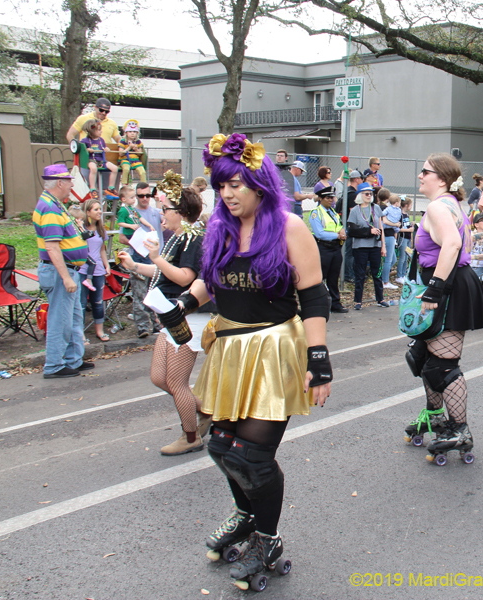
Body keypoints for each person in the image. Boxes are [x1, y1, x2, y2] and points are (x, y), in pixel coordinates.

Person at [184, 132, 332, 586]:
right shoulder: (219, 226)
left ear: (260, 184)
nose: (228, 194)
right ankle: (245, 516)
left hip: (273, 349)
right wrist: (180, 306)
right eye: (221, 185)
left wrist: (319, 357)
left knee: (252, 458)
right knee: (219, 446)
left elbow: (313, 294)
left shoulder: (288, 226)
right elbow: (211, 280)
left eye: (236, 185)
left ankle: (268, 540)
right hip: (230, 347)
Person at [118, 173, 211, 455]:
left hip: (189, 315)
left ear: (181, 213)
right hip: (171, 314)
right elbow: (163, 273)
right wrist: (135, 265)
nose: (161, 214)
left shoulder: (194, 238)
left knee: (175, 381)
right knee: (159, 377)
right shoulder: (177, 237)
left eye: (165, 209)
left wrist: (156, 258)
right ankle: (206, 411)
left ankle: (191, 436)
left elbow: (184, 278)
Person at [403, 153, 483, 459]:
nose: (420, 176)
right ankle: (436, 416)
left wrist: (435, 290)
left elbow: (453, 244)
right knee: (424, 358)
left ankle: (460, 430)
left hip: (446, 286)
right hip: (448, 283)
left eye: (424, 171)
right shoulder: (453, 204)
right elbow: (462, 243)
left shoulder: (440, 206)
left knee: (443, 365)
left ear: (440, 177)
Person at [33, 164, 94, 379]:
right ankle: (54, 365)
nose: (71, 185)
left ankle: (73, 359)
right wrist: (66, 277)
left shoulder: (55, 204)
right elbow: (52, 246)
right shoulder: (49, 208)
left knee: (74, 317)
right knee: (61, 319)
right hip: (60, 271)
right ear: (59, 182)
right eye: (69, 181)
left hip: (68, 270)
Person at [127, 182, 165, 338]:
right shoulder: (131, 214)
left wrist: (159, 201)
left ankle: (158, 325)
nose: (144, 199)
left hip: (156, 259)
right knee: (140, 294)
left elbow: (166, 219)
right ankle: (143, 327)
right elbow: (123, 237)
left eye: (147, 195)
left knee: (157, 292)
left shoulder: (156, 212)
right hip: (139, 257)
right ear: (136, 197)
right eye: (141, 196)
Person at [348, 182, 390, 310]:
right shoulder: (355, 210)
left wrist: (383, 246)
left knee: (377, 273)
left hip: (375, 246)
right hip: (360, 247)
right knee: (360, 274)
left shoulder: (376, 208)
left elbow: (381, 227)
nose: (369, 195)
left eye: (371, 193)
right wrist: (368, 231)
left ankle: (380, 298)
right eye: (366, 193)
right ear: (360, 195)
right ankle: (358, 301)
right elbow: (352, 230)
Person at [308, 186, 349, 313]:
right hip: (324, 248)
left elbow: (340, 226)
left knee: (333, 277)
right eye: (328, 197)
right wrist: (337, 235)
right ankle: (317, 304)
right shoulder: (316, 213)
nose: (331, 200)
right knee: (321, 277)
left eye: (332, 197)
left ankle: (335, 303)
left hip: (336, 248)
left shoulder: (333, 212)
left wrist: (343, 232)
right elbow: (319, 233)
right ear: (320, 198)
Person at [78, 199, 112, 342]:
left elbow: (102, 249)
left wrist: (106, 265)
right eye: (96, 209)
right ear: (87, 212)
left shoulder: (100, 229)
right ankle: (80, 335)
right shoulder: (79, 228)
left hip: (97, 270)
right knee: (80, 304)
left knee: (97, 302)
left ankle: (100, 331)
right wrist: (80, 228)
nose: (100, 212)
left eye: (100, 209)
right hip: (82, 269)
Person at [80, 119, 119, 200]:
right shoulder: (85, 141)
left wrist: (106, 149)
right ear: (92, 131)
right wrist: (87, 150)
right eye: (98, 130)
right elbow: (82, 150)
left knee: (115, 168)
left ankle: (110, 188)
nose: (101, 132)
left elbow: (104, 148)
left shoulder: (101, 140)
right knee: (93, 168)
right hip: (91, 159)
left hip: (101, 159)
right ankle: (93, 189)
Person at [337, 169, 363, 284]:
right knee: (350, 252)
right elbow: (354, 212)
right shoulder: (352, 194)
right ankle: (348, 274)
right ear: (357, 179)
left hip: (347, 225)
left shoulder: (348, 191)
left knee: (350, 251)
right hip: (349, 226)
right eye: (361, 178)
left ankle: (349, 273)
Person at [379, 188, 401, 289]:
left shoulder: (388, 208)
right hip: (387, 235)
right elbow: (385, 221)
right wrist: (395, 224)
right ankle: (385, 282)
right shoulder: (385, 209)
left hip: (391, 234)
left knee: (393, 259)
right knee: (388, 260)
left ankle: (384, 277)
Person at [119, 120, 147, 184]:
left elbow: (140, 153)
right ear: (126, 132)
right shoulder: (123, 141)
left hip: (135, 160)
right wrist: (129, 148)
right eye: (130, 131)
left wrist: (136, 149)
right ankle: (124, 184)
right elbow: (120, 153)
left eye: (134, 132)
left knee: (142, 171)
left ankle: (144, 185)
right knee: (126, 169)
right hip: (125, 160)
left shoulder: (138, 142)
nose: (132, 133)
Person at [394, 197, 415, 284]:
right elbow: (397, 228)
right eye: (410, 205)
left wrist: (411, 225)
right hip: (402, 238)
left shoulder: (406, 215)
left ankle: (403, 275)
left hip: (408, 238)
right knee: (402, 258)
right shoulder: (400, 215)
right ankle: (399, 276)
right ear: (406, 205)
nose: (411, 207)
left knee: (406, 257)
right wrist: (408, 230)